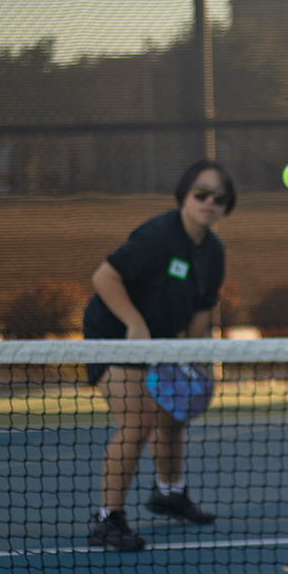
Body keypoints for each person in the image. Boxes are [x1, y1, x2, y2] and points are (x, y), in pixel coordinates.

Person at [83, 159, 236, 551]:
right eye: (201, 193)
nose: (209, 202)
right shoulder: (158, 235)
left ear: (225, 207)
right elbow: (104, 277)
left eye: (219, 198)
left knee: (173, 413)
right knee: (139, 421)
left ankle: (169, 493)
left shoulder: (213, 252)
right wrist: (134, 323)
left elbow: (201, 315)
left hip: (161, 341)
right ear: (185, 195)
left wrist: (198, 363)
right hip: (113, 335)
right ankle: (108, 520)